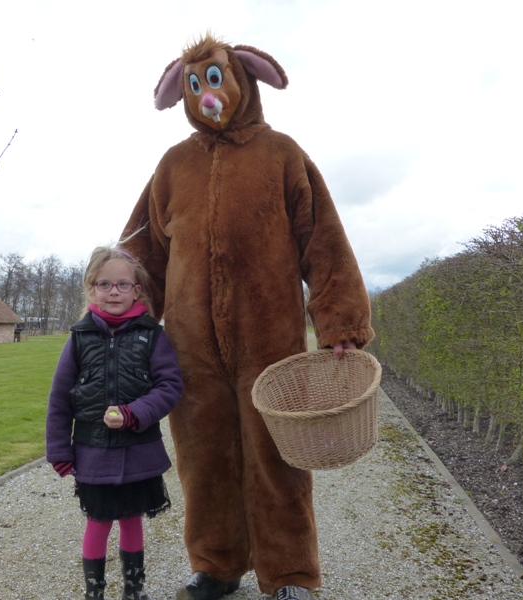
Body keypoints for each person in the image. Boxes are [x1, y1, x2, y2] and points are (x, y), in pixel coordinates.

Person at [121, 33, 374, 600]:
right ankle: (216, 566)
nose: (205, 93)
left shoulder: (281, 154)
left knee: (278, 461)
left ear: (241, 79)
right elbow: (142, 251)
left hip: (269, 343)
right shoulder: (172, 166)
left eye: (213, 78)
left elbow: (323, 240)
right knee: (203, 460)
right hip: (189, 349)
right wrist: (129, 322)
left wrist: (340, 323)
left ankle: (290, 574)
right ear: (182, 93)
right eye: (194, 84)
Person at [46, 246, 183, 600]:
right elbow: (60, 398)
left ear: (137, 290)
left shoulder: (152, 335)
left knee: (131, 518)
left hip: (139, 449)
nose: (113, 292)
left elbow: (169, 386)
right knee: (98, 521)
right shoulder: (79, 338)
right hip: (93, 451)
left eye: (123, 285)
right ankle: (94, 593)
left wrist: (134, 412)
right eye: (104, 284)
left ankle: (134, 590)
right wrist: (59, 449)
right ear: (92, 289)